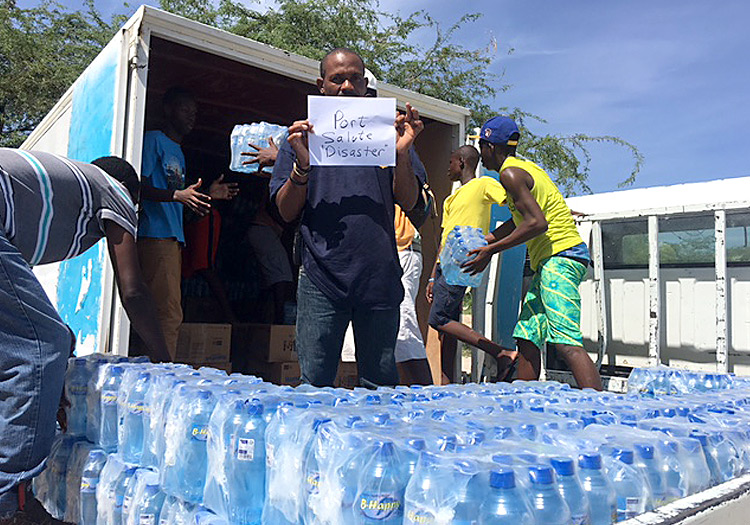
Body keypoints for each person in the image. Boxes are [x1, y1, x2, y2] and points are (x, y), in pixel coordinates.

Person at [0, 149, 170, 524]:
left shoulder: (45, 198)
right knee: (42, 348)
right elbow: (133, 290)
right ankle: (6, 501)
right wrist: (166, 361)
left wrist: (52, 378)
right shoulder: (115, 190)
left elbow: (20, 307)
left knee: (48, 340)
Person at [270, 47, 424, 387]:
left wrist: (401, 154)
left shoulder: (390, 135)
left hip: (379, 278)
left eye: (354, 78)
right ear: (320, 85)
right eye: (337, 79)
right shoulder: (299, 138)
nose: (346, 86)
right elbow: (284, 211)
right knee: (314, 384)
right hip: (321, 276)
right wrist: (303, 166)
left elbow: (412, 203)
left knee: (380, 386)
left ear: (365, 85)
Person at [463, 116, 603, 390]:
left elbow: (537, 223)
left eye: (482, 147)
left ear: (490, 146)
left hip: (562, 257)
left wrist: (490, 251)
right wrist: (486, 239)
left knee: (565, 341)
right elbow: (520, 219)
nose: (481, 155)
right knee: (527, 335)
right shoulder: (523, 168)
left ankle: (601, 408)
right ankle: (522, 400)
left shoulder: (509, 174)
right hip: (551, 260)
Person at [137, 87, 238, 357]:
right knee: (168, 313)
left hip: (172, 239)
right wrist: (176, 194)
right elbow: (140, 186)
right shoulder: (153, 140)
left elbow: (181, 201)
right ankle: (162, 376)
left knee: (166, 309)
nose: (191, 116)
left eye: (194, 112)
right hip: (155, 236)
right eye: (185, 109)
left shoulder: (177, 151)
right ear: (168, 110)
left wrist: (207, 195)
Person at [426, 145, 518, 384]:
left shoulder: (484, 184)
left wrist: (489, 241)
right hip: (445, 263)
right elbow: (445, 236)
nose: (448, 168)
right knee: (447, 326)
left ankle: (501, 353)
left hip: (462, 261)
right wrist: (433, 275)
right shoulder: (451, 198)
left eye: (450, 162)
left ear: (462, 162)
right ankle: (446, 386)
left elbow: (517, 202)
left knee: (438, 319)